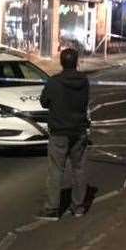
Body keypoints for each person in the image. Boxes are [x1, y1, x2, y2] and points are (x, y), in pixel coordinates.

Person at [36, 47, 90, 220]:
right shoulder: (84, 81)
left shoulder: (54, 82)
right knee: (79, 169)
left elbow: (44, 102)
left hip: (59, 131)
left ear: (61, 62)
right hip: (79, 130)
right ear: (76, 62)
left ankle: (52, 209)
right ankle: (78, 206)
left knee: (56, 170)